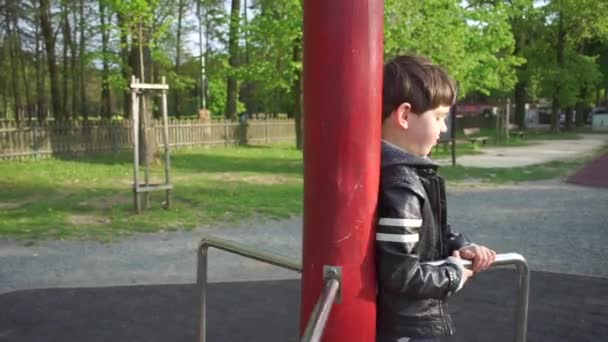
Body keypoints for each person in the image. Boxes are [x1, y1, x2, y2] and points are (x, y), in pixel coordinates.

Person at [376, 54, 496, 342]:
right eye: (440, 117)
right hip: (409, 326)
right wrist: (453, 275)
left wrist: (461, 245)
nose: (444, 128)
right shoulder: (402, 184)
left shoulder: (407, 172)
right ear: (404, 115)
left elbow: (426, 231)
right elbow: (400, 273)